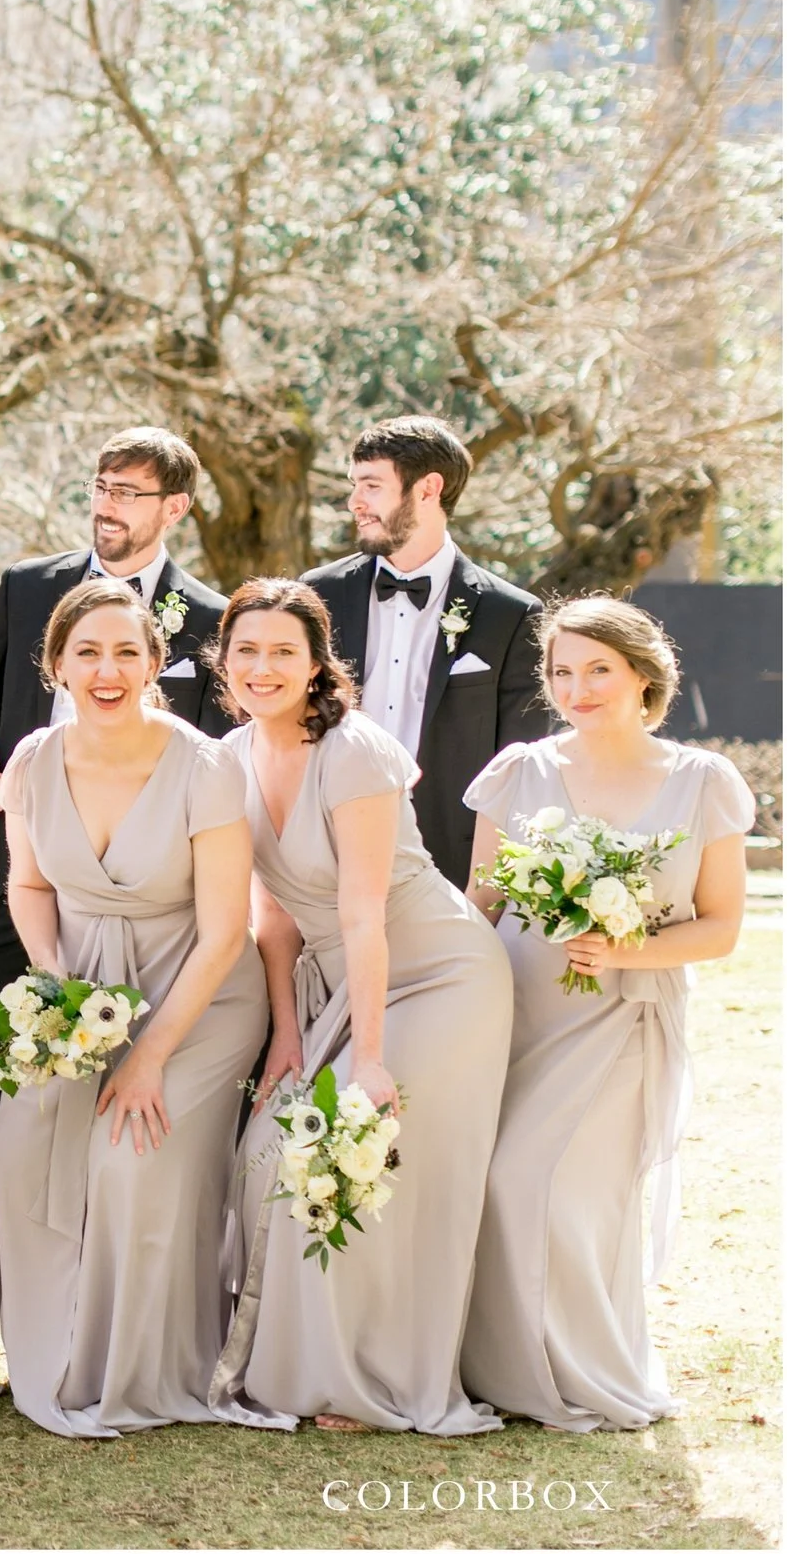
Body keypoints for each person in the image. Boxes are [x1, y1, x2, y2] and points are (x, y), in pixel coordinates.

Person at [208, 579, 512, 1435]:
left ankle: (373, 1380)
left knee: (356, 1151)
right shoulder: (228, 757)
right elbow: (272, 916)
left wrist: (368, 1059)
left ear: (317, 664)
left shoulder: (354, 751)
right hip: (342, 983)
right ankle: (299, 1363)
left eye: (283, 651)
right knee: (270, 1149)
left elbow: (361, 914)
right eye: (246, 650)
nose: (263, 667)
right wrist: (287, 1036)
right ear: (222, 661)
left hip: (439, 975)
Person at [460, 598, 751, 1431]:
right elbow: (479, 902)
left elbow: (721, 927)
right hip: (513, 1010)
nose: (577, 688)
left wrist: (624, 949)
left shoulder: (701, 782)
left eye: (598, 669)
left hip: (623, 1016)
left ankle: (581, 1370)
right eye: (562, 671)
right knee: (488, 1183)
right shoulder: (519, 771)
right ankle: (492, 1368)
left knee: (555, 1190)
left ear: (643, 675)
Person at [0, 579, 266, 1438]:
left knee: (128, 1157)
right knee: (22, 1147)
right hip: (84, 996)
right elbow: (29, 885)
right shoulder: (33, 759)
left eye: (125, 653)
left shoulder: (206, 765)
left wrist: (147, 1054)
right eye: (88, 652)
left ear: (154, 664)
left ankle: (143, 1368)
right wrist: (56, 986)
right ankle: (55, 1353)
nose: (107, 671)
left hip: (200, 999)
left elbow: (225, 932)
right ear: (58, 664)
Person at [0, 427, 232, 999]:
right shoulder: (27, 586)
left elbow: (217, 755)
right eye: (102, 487)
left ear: (175, 508)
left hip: (145, 898)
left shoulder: (212, 618)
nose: (106, 506)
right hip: (14, 874)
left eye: (127, 493)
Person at [304, 416, 546, 888]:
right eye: (355, 485)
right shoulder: (316, 595)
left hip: (452, 866)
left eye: (372, 485)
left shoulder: (511, 615)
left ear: (428, 489)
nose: (354, 502)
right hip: (325, 852)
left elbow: (520, 766)